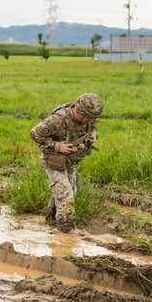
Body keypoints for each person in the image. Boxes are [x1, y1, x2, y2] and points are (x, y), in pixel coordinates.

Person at [29, 93, 103, 233]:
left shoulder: (88, 118)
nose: (89, 120)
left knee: (70, 191)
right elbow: (34, 133)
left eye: (92, 118)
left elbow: (91, 126)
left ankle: (50, 220)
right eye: (87, 117)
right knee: (65, 196)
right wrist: (57, 146)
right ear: (79, 110)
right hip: (54, 161)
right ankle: (65, 231)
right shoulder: (57, 120)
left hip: (72, 161)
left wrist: (93, 133)